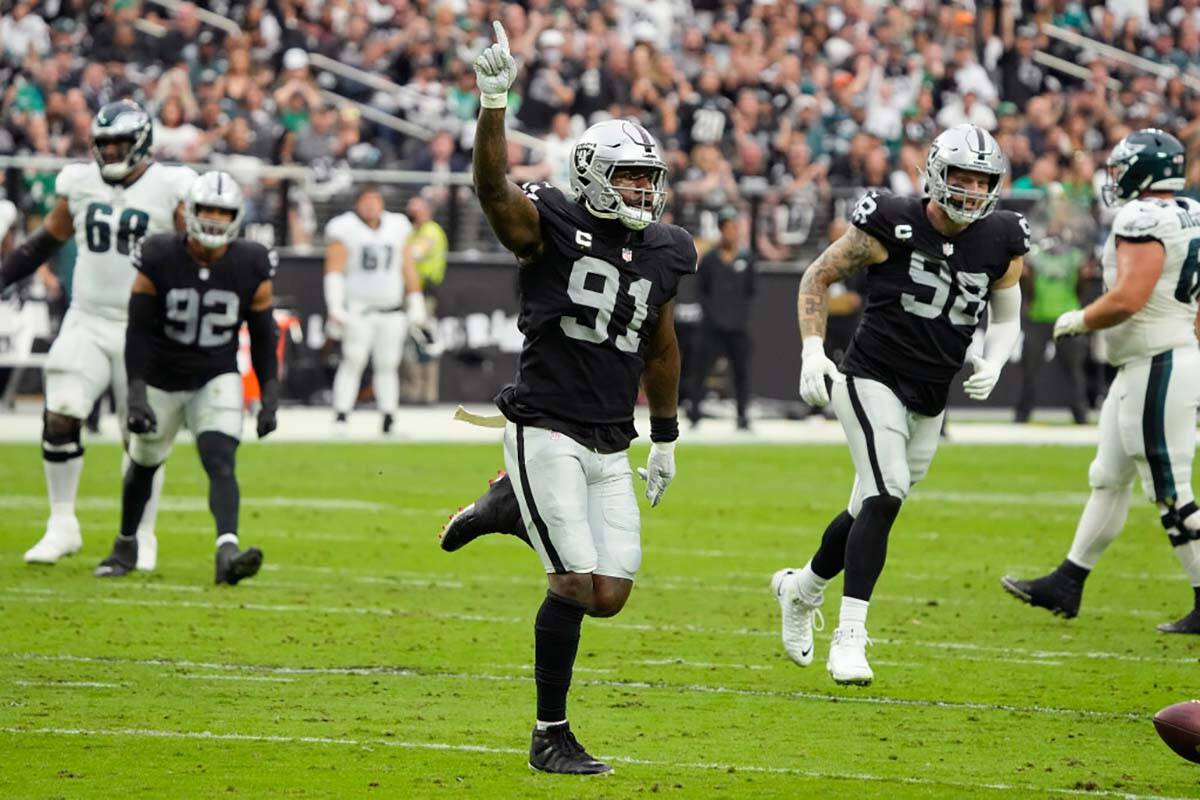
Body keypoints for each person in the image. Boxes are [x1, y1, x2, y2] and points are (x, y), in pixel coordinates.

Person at [447, 22, 695, 774]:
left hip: (610, 437)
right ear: (590, 175)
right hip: (543, 425)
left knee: (610, 594)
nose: (639, 191)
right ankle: (548, 734)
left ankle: (508, 509)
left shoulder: (664, 248)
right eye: (625, 178)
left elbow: (659, 342)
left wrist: (669, 433)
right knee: (572, 583)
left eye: (646, 179)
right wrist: (494, 103)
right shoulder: (550, 221)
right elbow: (492, 188)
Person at [772, 125, 1028, 686]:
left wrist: (996, 358)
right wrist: (813, 350)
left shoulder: (1002, 236)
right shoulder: (891, 219)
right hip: (872, 377)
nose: (970, 190)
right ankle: (851, 635)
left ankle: (801, 590)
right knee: (885, 495)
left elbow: (1006, 316)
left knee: (871, 504)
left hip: (930, 396)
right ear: (936, 173)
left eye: (981, 180)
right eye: (960, 177)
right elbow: (818, 274)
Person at [1002, 129, 1200, 633]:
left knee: (1171, 490)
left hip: (1158, 362)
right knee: (1107, 477)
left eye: (1122, 166)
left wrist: (1080, 319)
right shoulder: (1189, 212)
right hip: (1154, 360)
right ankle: (1069, 580)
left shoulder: (1142, 217)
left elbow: (1130, 297)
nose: (1115, 175)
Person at [0, 99, 196, 569]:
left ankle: (141, 534)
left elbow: (195, 255)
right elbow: (42, 244)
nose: (110, 152)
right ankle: (62, 523)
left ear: (142, 144)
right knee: (61, 412)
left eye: (119, 144)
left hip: (146, 329)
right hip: (87, 318)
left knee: (142, 437)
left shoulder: (172, 188)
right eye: (103, 144)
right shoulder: (81, 184)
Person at [93, 171, 277, 584]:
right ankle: (125, 546)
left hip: (216, 374)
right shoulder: (159, 254)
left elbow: (265, 335)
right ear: (189, 213)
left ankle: (226, 552)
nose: (213, 218)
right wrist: (136, 391)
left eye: (222, 211)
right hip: (161, 375)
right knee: (143, 462)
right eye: (207, 209)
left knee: (220, 460)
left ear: (236, 216)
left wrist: (270, 394)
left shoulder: (251, 261)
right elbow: (137, 329)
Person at [323, 185, 425, 435]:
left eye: (375, 200)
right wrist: (335, 306)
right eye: (366, 201)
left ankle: (389, 418)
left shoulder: (397, 226)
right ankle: (341, 416)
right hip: (359, 309)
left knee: (388, 364)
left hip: (391, 309)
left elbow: (408, 266)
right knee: (353, 360)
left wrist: (416, 300)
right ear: (357, 203)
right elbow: (334, 269)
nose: (370, 206)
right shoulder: (345, 228)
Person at [1014, 199, 1091, 424]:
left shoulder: (1075, 256)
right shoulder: (1035, 256)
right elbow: (1026, 286)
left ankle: (1080, 415)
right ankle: (1022, 415)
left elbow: (1081, 287)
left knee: (1075, 372)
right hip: (1039, 316)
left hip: (1068, 318)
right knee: (1029, 371)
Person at [686, 206, 756, 430]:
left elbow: (751, 291)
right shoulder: (709, 260)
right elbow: (702, 289)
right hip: (712, 327)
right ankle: (694, 413)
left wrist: (740, 315)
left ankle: (743, 416)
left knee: (741, 372)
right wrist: (712, 314)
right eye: (727, 228)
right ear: (721, 230)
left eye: (734, 228)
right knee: (701, 370)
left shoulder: (748, 259)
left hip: (737, 327)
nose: (731, 232)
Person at [400, 195, 447, 405]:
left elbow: (416, 253)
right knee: (408, 344)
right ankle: (411, 391)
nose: (411, 212)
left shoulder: (431, 231)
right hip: (409, 293)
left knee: (424, 343)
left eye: (415, 209)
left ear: (426, 211)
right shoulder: (412, 232)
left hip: (424, 294)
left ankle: (427, 394)